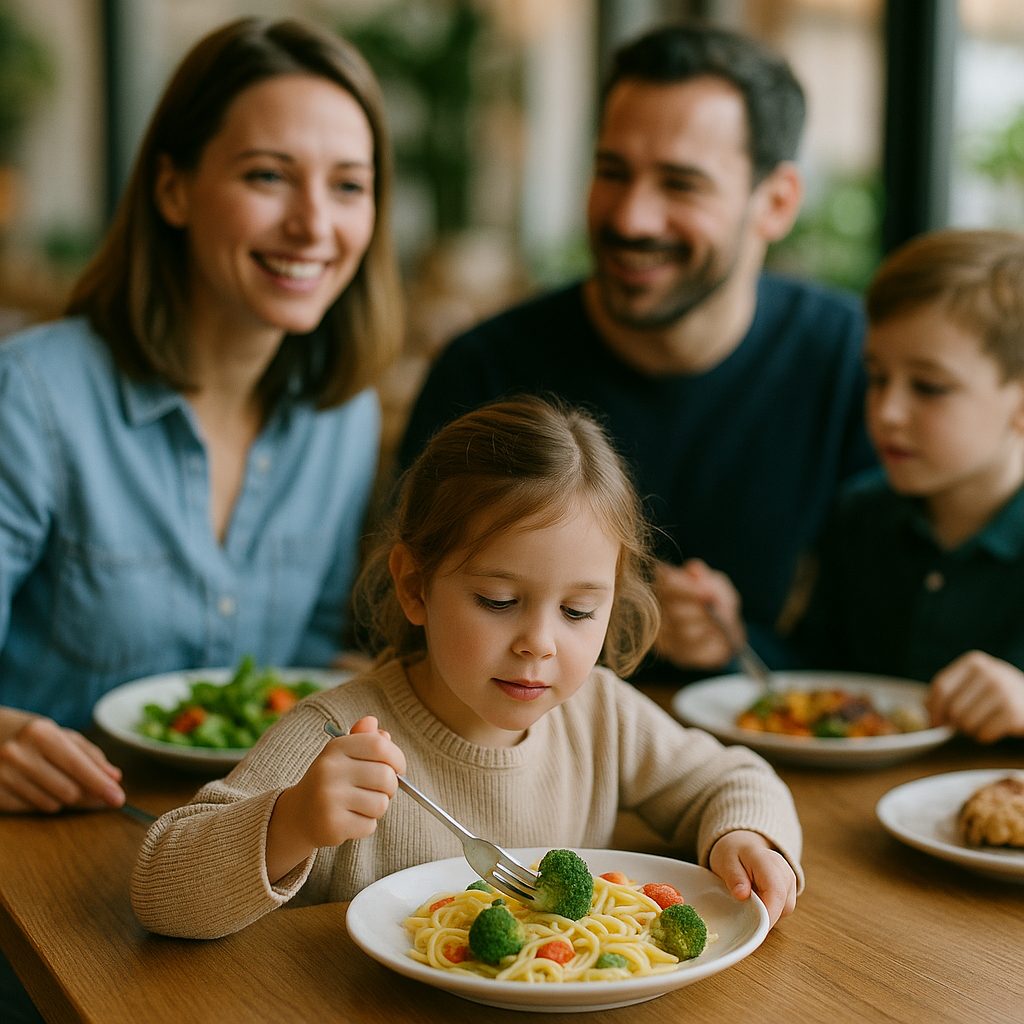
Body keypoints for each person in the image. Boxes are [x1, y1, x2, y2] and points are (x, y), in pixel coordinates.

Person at [130, 397, 803, 941]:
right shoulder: (338, 734)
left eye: (577, 611)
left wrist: (746, 835)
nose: (538, 643)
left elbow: (734, 776)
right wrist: (290, 822)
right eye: (499, 601)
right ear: (415, 586)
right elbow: (161, 888)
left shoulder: (599, 712)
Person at [0, 17, 403, 815]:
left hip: (243, 844)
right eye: (267, 176)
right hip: (42, 849)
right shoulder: (33, 396)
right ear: (173, 188)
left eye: (349, 186)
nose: (315, 225)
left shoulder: (342, 414)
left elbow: (313, 661)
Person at [398, 22, 874, 684]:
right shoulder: (486, 371)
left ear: (776, 203)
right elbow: (401, 622)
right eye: (612, 172)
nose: (631, 218)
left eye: (680, 185)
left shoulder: (860, 367)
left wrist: (739, 643)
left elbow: (876, 642)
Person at [790, 229, 1024, 744]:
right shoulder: (859, 516)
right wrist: (732, 640)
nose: (887, 412)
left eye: (929, 387)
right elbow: (812, 684)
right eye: (876, 378)